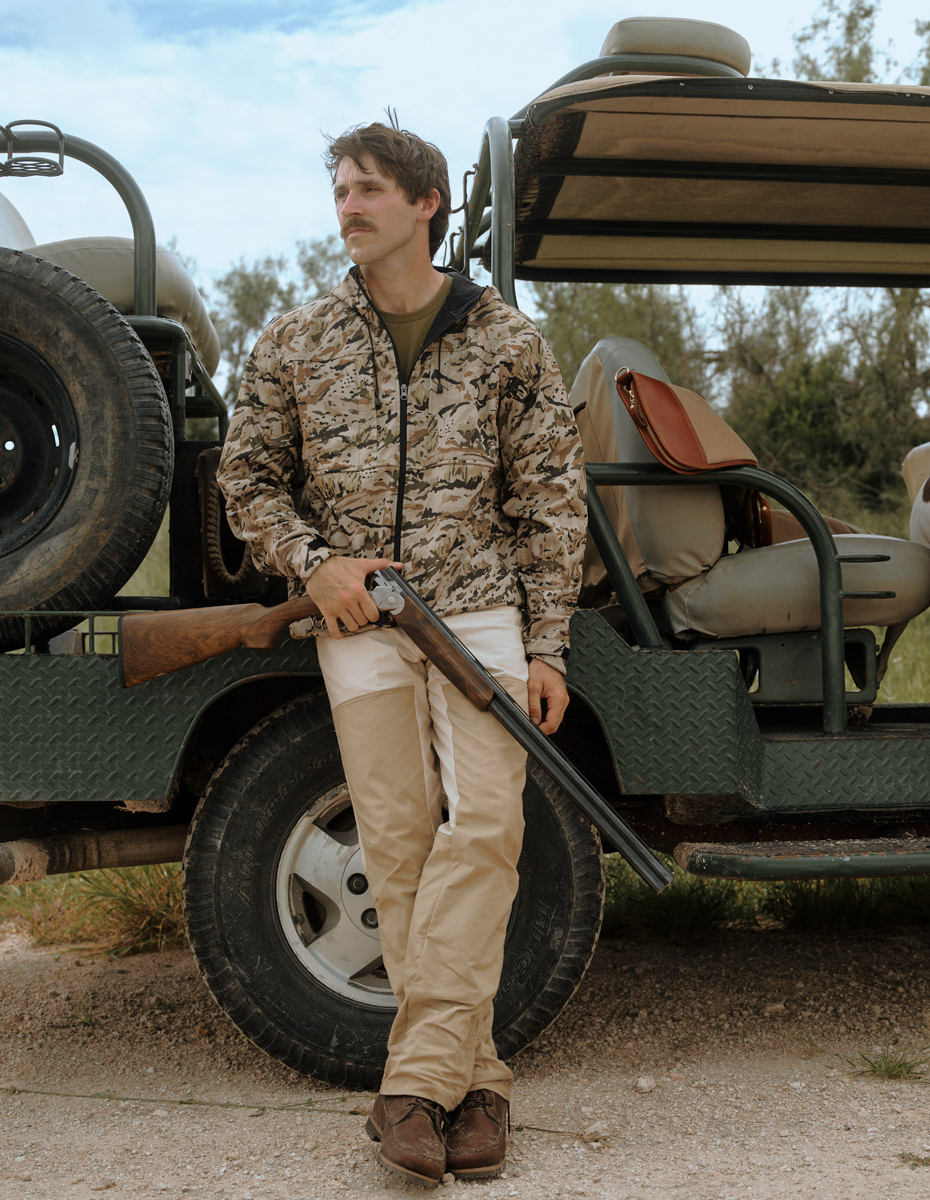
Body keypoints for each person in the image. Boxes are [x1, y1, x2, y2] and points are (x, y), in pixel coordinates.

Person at [216, 118, 585, 1184]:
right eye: (339, 191)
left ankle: (412, 1087)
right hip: (356, 623)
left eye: (369, 190)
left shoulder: (507, 339)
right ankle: (475, 1088)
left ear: (426, 205)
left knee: (493, 827)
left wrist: (549, 643)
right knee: (396, 841)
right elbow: (247, 481)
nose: (348, 208)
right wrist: (315, 562)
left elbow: (551, 502)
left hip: (476, 618)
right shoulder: (294, 340)